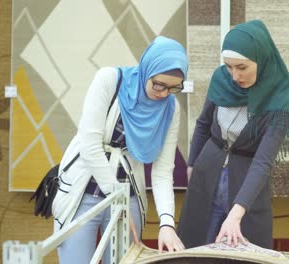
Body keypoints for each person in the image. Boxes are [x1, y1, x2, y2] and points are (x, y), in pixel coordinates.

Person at [52, 36, 188, 263]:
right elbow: (90, 146)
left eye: (173, 88)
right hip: (82, 193)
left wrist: (166, 222)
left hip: (129, 195)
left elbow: (163, 171)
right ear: (147, 69)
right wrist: (118, 200)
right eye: (159, 84)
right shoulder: (109, 79)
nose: (163, 93)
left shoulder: (170, 109)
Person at [177, 20, 289, 249]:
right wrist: (192, 165)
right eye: (228, 66)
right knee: (194, 247)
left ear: (261, 59)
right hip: (206, 175)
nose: (233, 75)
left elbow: (263, 161)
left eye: (242, 67)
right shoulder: (221, 79)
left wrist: (236, 214)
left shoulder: (280, 97)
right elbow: (203, 124)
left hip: (245, 184)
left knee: (244, 253)